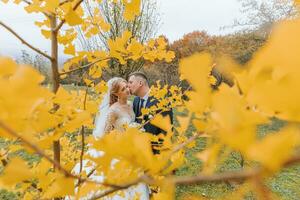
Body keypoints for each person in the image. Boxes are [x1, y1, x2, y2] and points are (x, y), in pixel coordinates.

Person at [74, 77, 149, 200]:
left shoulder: (131, 105)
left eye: (127, 86)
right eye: (123, 89)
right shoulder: (113, 110)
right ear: (115, 93)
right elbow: (106, 134)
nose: (127, 90)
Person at [127, 72, 173, 154]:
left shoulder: (161, 101)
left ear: (140, 83)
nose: (128, 85)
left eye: (130, 82)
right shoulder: (136, 100)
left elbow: (166, 131)